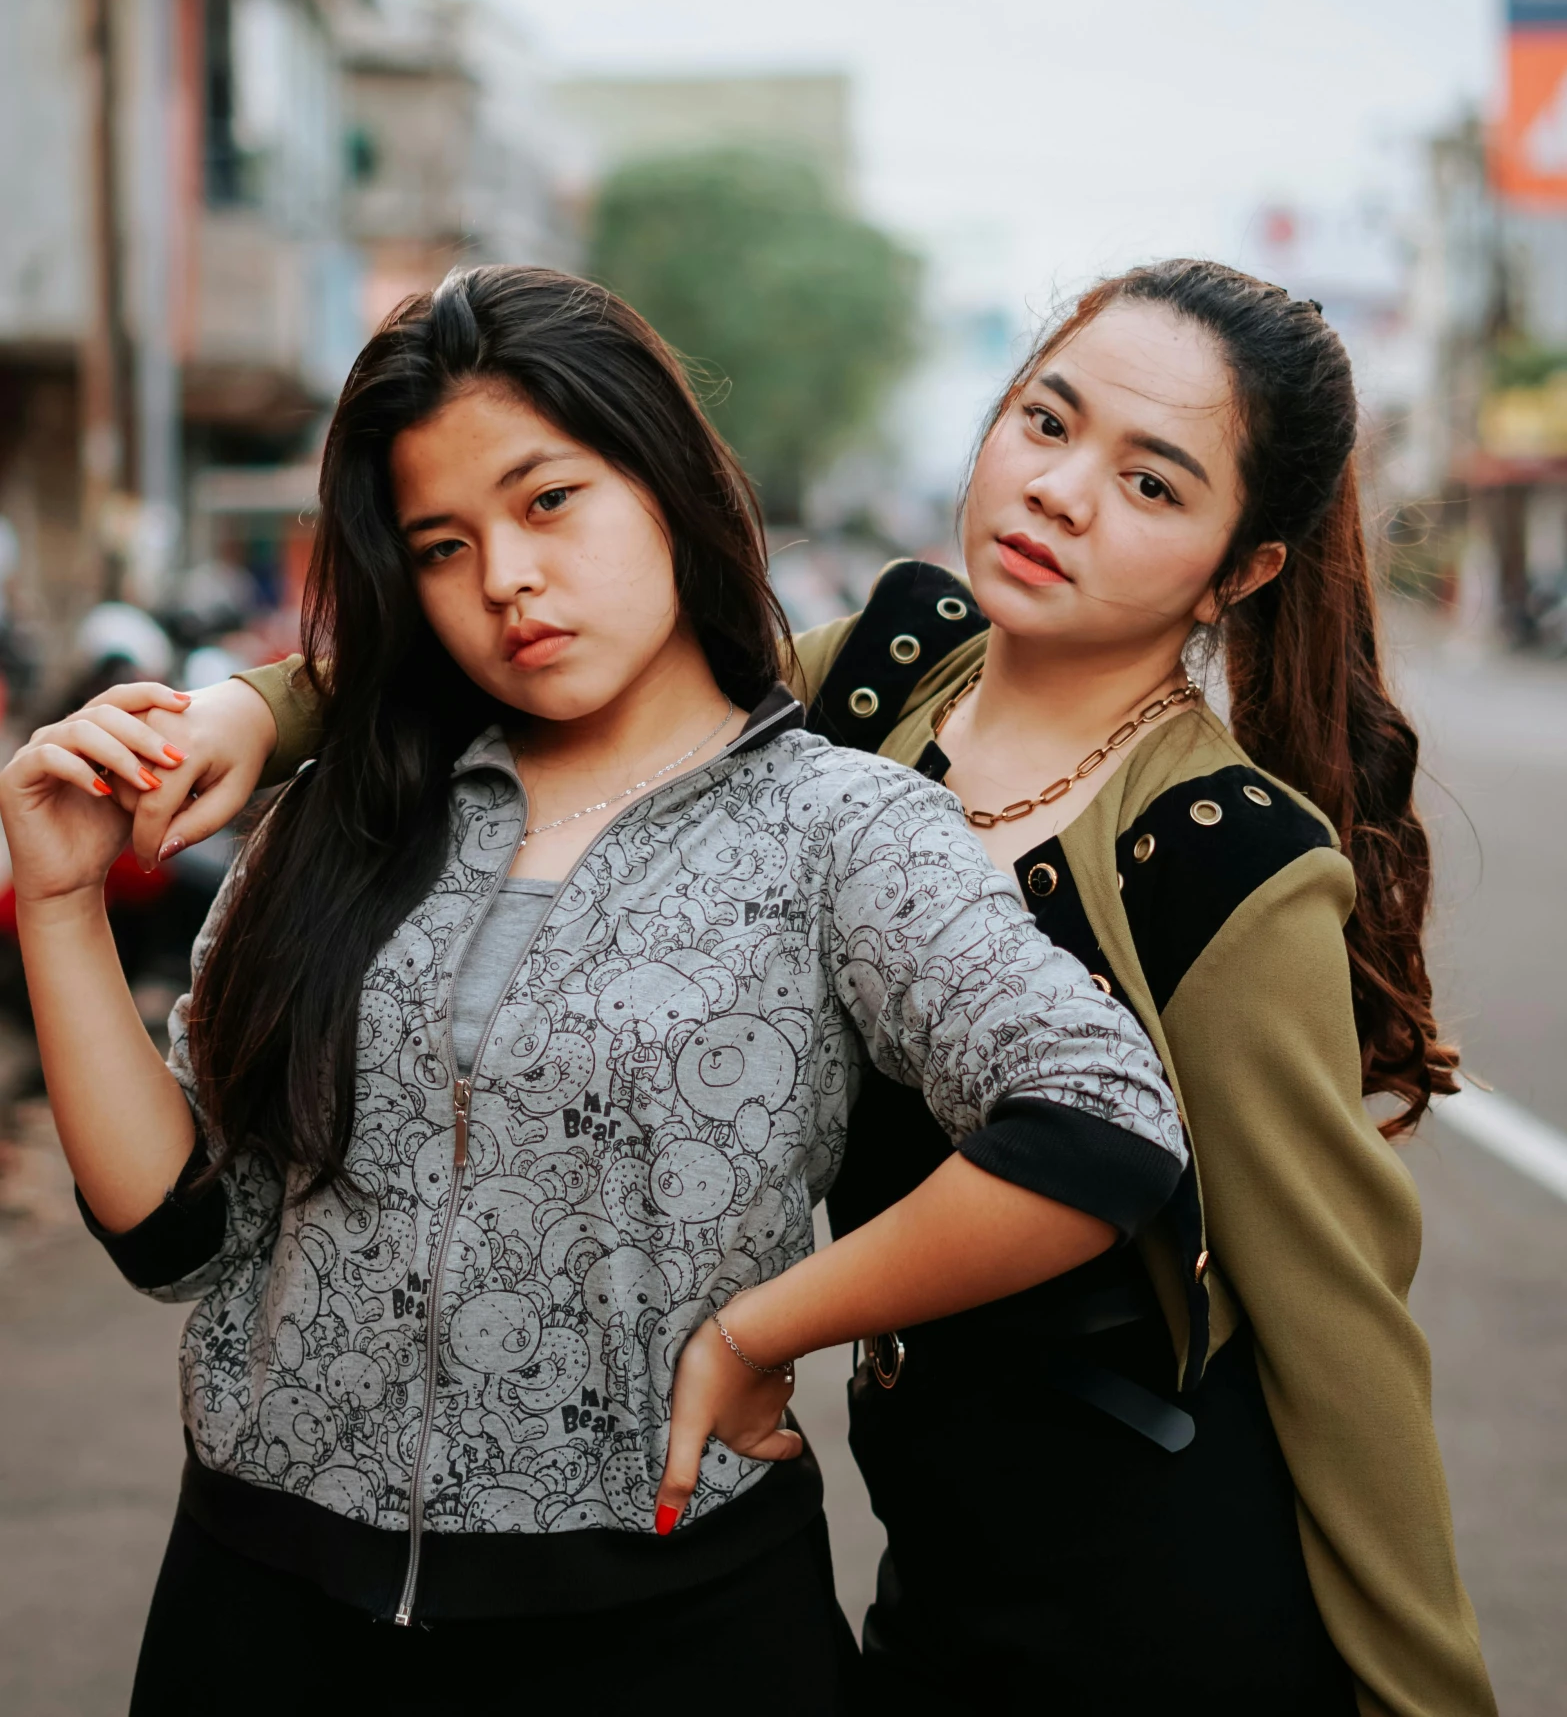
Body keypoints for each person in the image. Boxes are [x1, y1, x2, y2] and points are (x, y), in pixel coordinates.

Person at [143, 260, 1496, 1716]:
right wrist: (255, 701)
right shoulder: (874, 677)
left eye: (1153, 485)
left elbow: (1337, 1325)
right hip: (927, 1540)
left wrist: (1426, 1698)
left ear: (1242, 567)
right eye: (1045, 422)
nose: (1060, 493)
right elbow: (563, 651)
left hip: (1142, 1562)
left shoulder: (1227, 860)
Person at [1, 267, 1185, 1716]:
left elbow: (1102, 1122)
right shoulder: (345, 815)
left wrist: (768, 1328)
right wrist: (58, 905)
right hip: (257, 1607)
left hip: (661, 1627)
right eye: (443, 543)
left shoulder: (839, 830)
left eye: (548, 499)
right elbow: (181, 1231)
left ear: (665, 480)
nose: (504, 574)